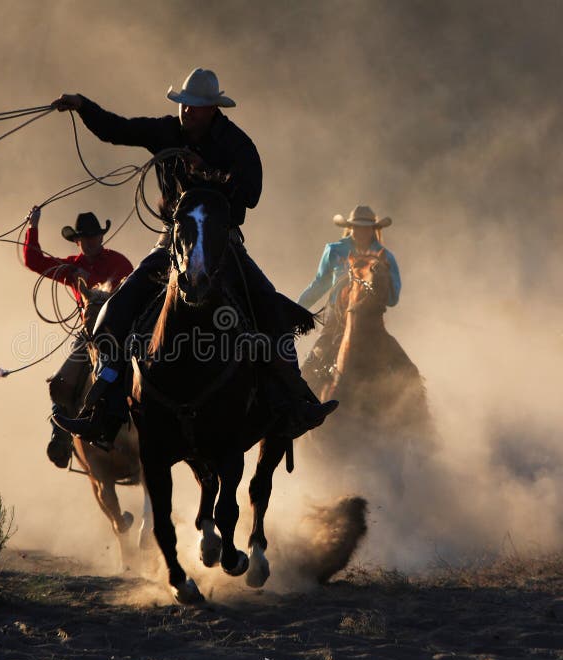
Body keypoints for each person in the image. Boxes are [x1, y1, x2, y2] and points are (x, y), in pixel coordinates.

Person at [49, 67, 337, 444]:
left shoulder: (236, 144)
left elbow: (251, 193)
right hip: (172, 241)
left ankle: (294, 399)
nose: (187, 112)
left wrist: (211, 174)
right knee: (113, 313)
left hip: (224, 243)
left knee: (269, 306)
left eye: (196, 107)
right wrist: (83, 106)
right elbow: (117, 129)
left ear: (213, 109)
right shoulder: (166, 132)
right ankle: (105, 406)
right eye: (185, 105)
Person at [22, 206, 133, 467]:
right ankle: (60, 437)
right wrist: (32, 228)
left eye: (94, 237)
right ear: (77, 241)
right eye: (85, 238)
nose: (90, 242)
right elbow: (34, 262)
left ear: (101, 238)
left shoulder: (120, 263)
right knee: (62, 382)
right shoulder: (72, 267)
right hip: (88, 335)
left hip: (122, 331)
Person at [298, 205, 401, 379]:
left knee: (407, 371)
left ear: (373, 229)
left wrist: (382, 279)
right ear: (350, 227)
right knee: (311, 366)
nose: (361, 231)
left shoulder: (385, 256)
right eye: (357, 226)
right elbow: (319, 284)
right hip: (336, 319)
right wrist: (296, 309)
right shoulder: (334, 250)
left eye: (366, 227)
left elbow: (392, 299)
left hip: (373, 321)